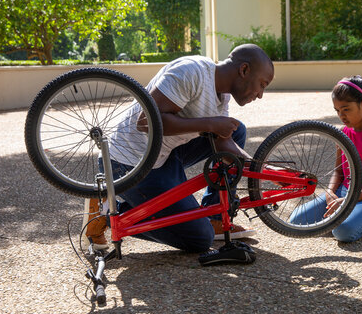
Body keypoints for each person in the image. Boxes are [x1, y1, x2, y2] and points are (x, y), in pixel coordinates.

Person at [87, 44, 274, 252]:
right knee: (200, 238)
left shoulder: (223, 94)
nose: (260, 95)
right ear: (244, 70)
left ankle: (214, 217)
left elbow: (222, 143)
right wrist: (210, 124)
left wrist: (259, 168)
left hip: (163, 156)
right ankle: (108, 213)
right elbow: (146, 123)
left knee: (235, 131)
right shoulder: (191, 72)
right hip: (129, 165)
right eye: (262, 84)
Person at [289, 75, 362, 242]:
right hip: (344, 193)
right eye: (337, 110)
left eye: (346, 109)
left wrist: (347, 201)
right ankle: (353, 214)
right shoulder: (343, 133)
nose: (341, 116)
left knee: (342, 231)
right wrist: (330, 192)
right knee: (296, 221)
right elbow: (339, 171)